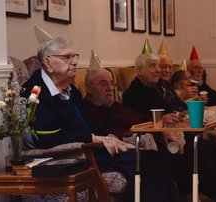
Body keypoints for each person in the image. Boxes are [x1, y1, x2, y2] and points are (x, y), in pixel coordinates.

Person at [21, 37, 180, 202]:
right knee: (143, 164)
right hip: (72, 155)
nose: (75, 62)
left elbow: (88, 122)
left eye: (74, 56)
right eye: (67, 57)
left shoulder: (71, 90)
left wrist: (111, 136)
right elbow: (46, 136)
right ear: (48, 62)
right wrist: (93, 138)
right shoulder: (34, 91)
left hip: (93, 148)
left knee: (154, 158)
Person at [84, 62, 216, 201]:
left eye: (111, 83)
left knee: (200, 152)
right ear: (89, 88)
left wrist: (159, 122)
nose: (109, 88)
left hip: (153, 138)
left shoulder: (115, 105)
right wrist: (154, 126)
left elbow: (140, 117)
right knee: (186, 162)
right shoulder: (89, 110)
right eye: (103, 83)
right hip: (131, 146)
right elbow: (111, 133)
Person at [123, 50, 216, 199]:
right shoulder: (134, 93)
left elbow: (175, 107)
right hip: (162, 142)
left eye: (158, 66)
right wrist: (164, 119)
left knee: (209, 148)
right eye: (153, 66)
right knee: (199, 153)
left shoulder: (155, 87)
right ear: (139, 70)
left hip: (178, 133)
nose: (158, 70)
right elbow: (137, 120)